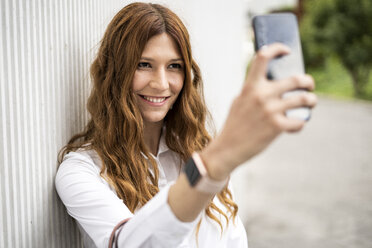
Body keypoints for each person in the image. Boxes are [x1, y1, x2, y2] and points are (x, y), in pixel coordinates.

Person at [55, 2, 317, 248]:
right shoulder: (81, 172)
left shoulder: (197, 150)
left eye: (174, 66)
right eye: (143, 65)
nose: (161, 83)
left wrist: (211, 161)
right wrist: (211, 165)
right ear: (114, 72)